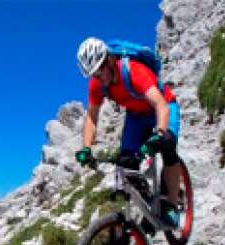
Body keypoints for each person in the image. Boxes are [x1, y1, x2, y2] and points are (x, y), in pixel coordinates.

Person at [74, 37, 182, 221]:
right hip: (137, 115)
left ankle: (172, 203)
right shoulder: (97, 84)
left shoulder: (134, 71)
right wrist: (86, 148)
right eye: (93, 75)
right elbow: (92, 116)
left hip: (164, 106)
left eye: (99, 71)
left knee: (167, 145)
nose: (98, 78)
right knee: (126, 163)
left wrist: (160, 134)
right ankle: (150, 207)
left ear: (109, 60)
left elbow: (161, 106)